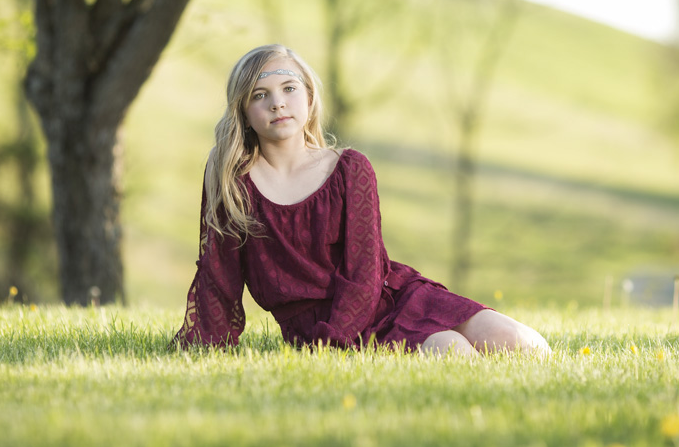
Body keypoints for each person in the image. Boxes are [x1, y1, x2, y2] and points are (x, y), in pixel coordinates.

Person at [170, 44, 551, 357]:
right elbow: (218, 276)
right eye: (260, 95)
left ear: (309, 97)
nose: (277, 103)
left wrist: (338, 336)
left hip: (389, 296)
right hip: (320, 326)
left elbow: (365, 272)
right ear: (243, 111)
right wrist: (205, 343)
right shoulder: (233, 181)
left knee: (521, 343)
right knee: (454, 353)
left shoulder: (350, 169)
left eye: (289, 88)